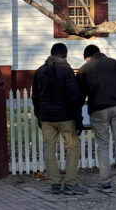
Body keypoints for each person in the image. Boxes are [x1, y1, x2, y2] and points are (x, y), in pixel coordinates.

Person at [78, 45, 116, 195]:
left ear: (88, 57)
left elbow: (79, 94)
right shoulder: (115, 64)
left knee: (103, 145)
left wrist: (77, 116)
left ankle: (105, 183)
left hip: (98, 109)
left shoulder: (85, 69)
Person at [32, 43, 86, 196]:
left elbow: (35, 96)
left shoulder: (39, 71)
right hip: (65, 117)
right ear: (65, 55)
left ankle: (54, 184)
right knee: (72, 148)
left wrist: (39, 115)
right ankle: (70, 184)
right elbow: (73, 96)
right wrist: (78, 118)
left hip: (47, 117)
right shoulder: (66, 70)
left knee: (49, 150)